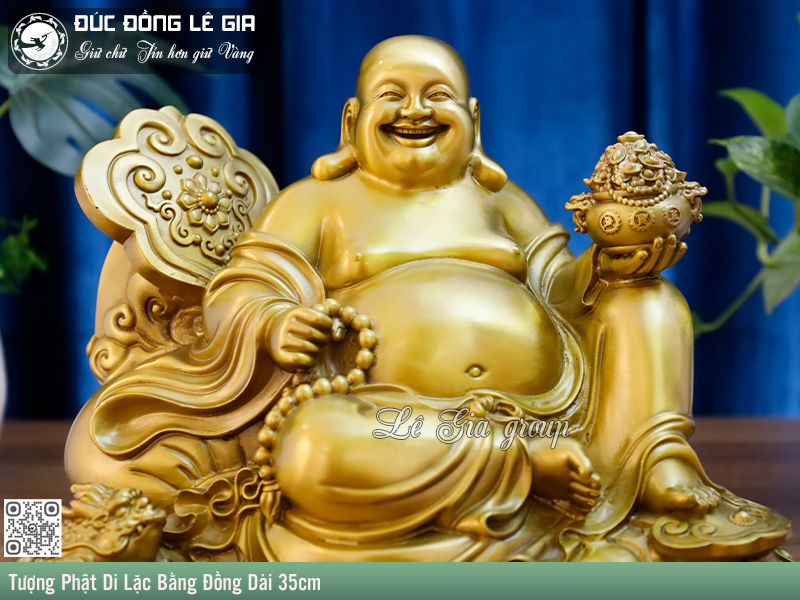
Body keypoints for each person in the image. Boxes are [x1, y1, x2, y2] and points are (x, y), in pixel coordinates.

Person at [65, 36, 783, 562]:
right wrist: (276, 322)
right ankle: (519, 466)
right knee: (311, 449)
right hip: (391, 422)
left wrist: (612, 264)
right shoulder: (317, 203)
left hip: (556, 407)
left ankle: (655, 462)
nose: (414, 110)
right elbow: (244, 287)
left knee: (646, 301)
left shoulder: (501, 203)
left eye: (436, 95)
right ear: (352, 120)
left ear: (473, 119)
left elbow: (561, 291)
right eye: (393, 96)